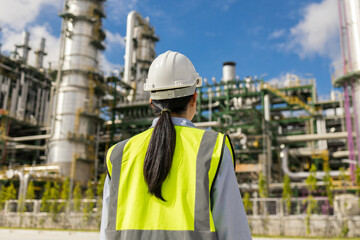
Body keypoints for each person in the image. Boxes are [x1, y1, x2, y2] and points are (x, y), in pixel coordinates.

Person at [100, 51, 252, 240]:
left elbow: (106, 233)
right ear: (194, 99)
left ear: (151, 102)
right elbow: (235, 233)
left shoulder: (118, 155)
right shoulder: (213, 148)